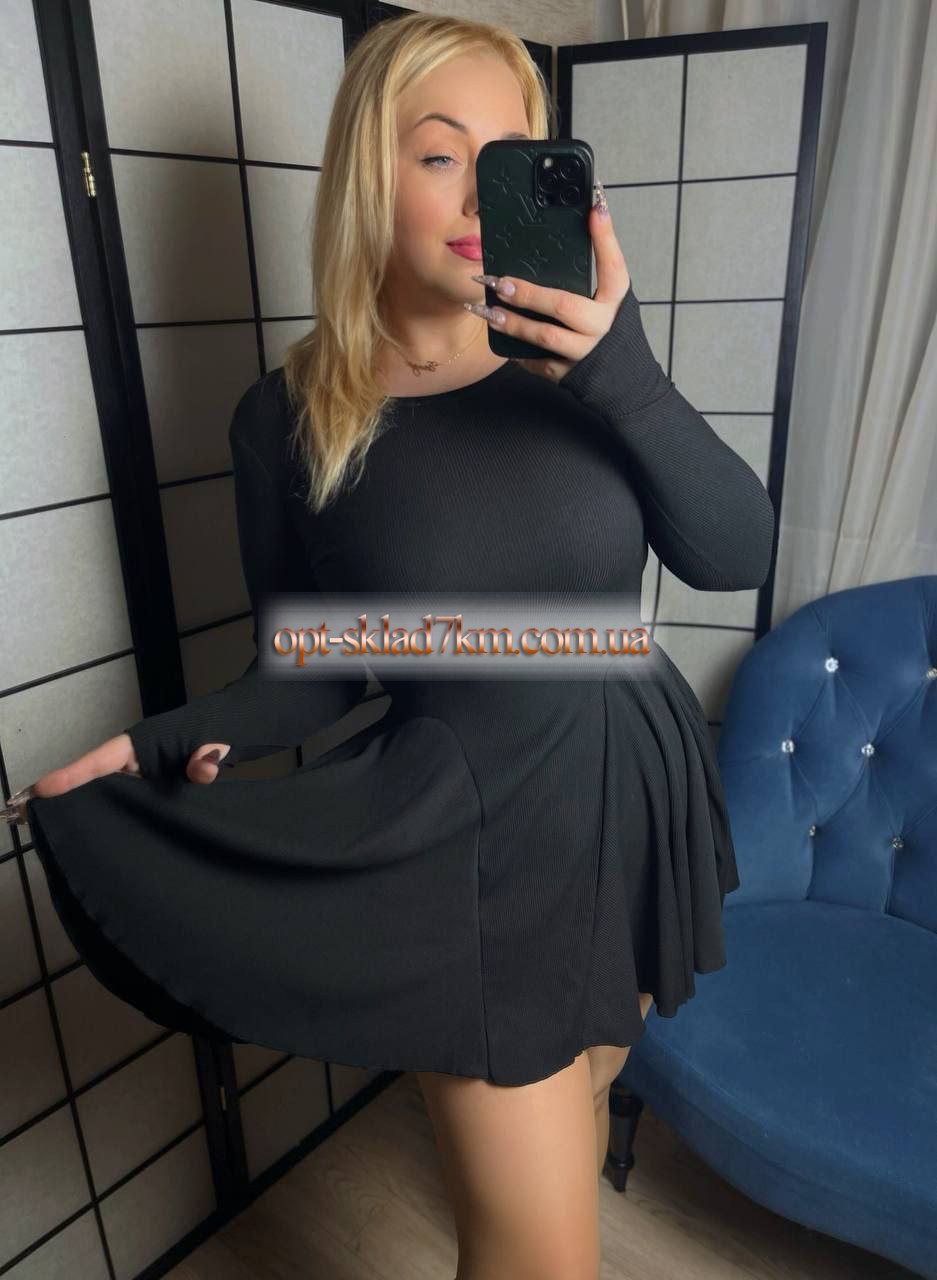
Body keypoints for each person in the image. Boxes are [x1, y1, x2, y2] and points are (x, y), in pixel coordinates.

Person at [4, 14, 775, 1279]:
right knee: (538, 1258)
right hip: (484, 844)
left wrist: (621, 370)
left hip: (628, 791)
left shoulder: (578, 362)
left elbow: (735, 549)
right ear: (369, 173)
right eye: (439, 155)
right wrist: (153, 745)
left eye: (510, 158)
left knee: (581, 1106)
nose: (479, 198)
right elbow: (314, 659)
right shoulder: (287, 417)